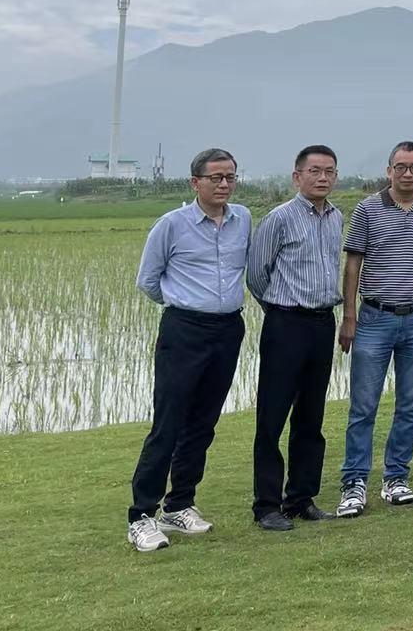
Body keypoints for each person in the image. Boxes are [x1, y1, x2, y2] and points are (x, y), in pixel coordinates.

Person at [126, 148, 251, 553]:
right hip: (184, 329)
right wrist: (184, 304)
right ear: (196, 183)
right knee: (169, 422)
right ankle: (141, 516)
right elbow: (148, 280)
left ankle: (179, 504)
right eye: (216, 178)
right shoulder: (172, 225)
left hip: (228, 329)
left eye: (230, 177)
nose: (224, 184)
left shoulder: (243, 219)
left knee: (203, 423)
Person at [336, 141, 413, 517]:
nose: (408, 173)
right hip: (374, 319)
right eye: (401, 167)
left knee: (410, 404)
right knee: (363, 406)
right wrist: (349, 317)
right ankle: (354, 483)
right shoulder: (368, 208)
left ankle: (396, 478)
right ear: (389, 171)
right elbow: (353, 265)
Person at [246, 144, 344, 531]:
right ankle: (266, 505)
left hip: (322, 323)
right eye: (314, 171)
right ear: (297, 176)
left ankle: (301, 498)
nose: (322, 178)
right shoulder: (279, 218)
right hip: (286, 322)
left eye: (329, 171)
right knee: (272, 417)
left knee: (311, 416)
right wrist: (279, 310)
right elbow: (257, 274)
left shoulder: (336, 217)